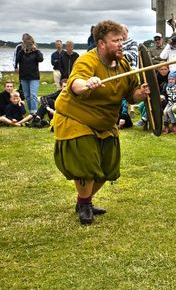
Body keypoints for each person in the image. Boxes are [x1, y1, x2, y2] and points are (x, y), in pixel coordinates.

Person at [52, 20, 150, 225]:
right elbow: (76, 83)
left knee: (107, 169)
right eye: (115, 41)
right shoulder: (88, 61)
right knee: (86, 164)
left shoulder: (123, 64)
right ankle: (85, 204)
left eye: (122, 40)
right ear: (101, 44)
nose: (121, 44)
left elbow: (131, 95)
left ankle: (83, 200)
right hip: (76, 117)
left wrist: (142, 93)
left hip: (105, 122)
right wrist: (87, 84)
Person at [16, 34, 43, 114]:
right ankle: (31, 112)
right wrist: (22, 49)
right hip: (24, 76)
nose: (29, 45)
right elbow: (17, 59)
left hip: (34, 77)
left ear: (33, 43)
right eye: (27, 43)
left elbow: (41, 59)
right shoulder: (21, 52)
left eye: (30, 43)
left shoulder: (36, 52)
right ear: (24, 43)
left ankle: (34, 112)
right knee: (27, 96)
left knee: (33, 95)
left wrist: (36, 50)